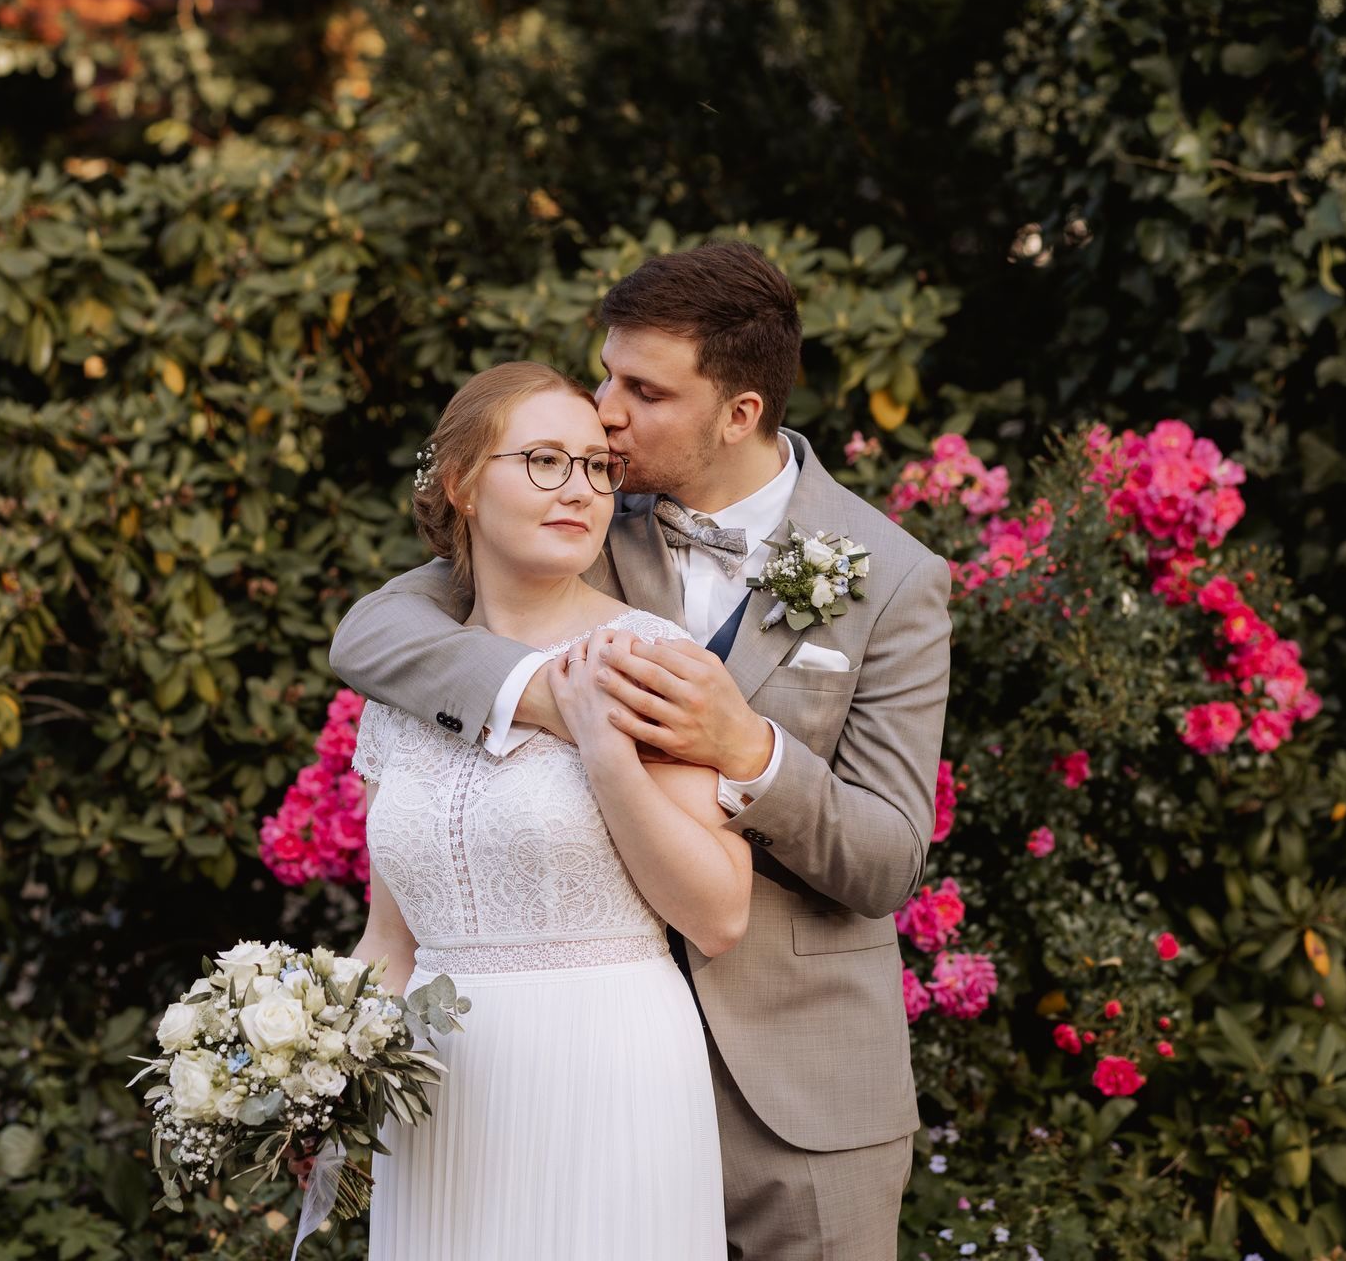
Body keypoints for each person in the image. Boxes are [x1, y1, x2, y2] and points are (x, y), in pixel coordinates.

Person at [333, 240, 953, 1260]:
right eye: (605, 372)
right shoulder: (575, 511)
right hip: (557, 1071)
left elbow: (886, 857)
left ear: (739, 412)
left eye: (642, 388)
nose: (605, 410)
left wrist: (748, 749)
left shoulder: (891, 576)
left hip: (799, 1093)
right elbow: (370, 635)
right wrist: (548, 698)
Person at [348, 360, 749, 1260]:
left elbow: (720, 914)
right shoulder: (406, 683)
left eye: (596, 467)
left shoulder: (654, 659)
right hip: (437, 1092)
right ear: (461, 487)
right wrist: (322, 1076)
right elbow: (390, 943)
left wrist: (609, 754)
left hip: (605, 1066)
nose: (579, 489)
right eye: (541, 462)